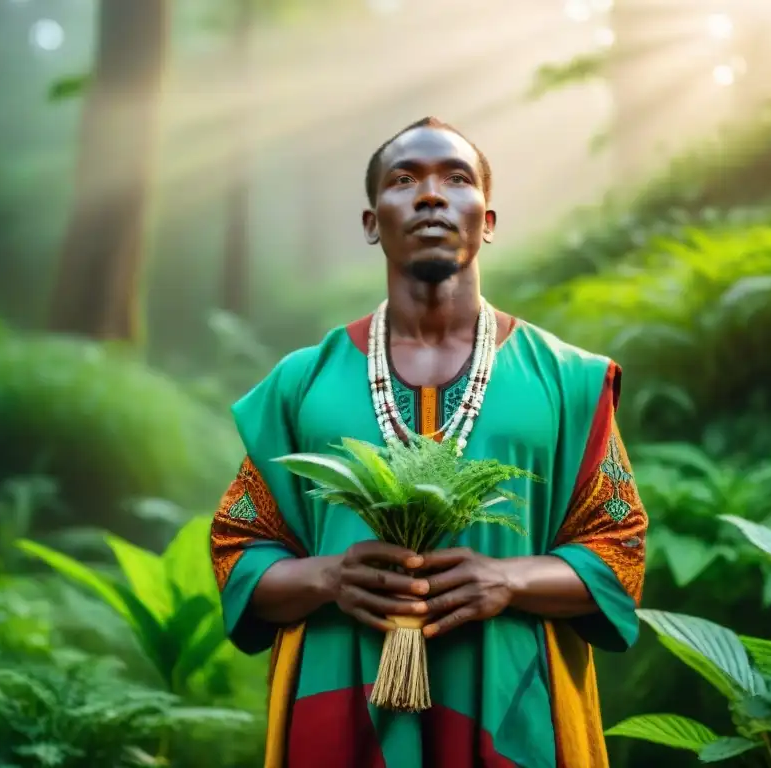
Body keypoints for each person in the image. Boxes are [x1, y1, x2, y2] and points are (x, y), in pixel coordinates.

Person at [210, 117, 648, 768]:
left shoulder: (567, 382)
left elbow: (620, 549)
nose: (431, 195)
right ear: (370, 222)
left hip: (514, 705)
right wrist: (328, 576)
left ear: (488, 220)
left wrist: (508, 578)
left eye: (456, 178)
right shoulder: (303, 384)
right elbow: (237, 550)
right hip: (340, 705)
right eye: (405, 180)